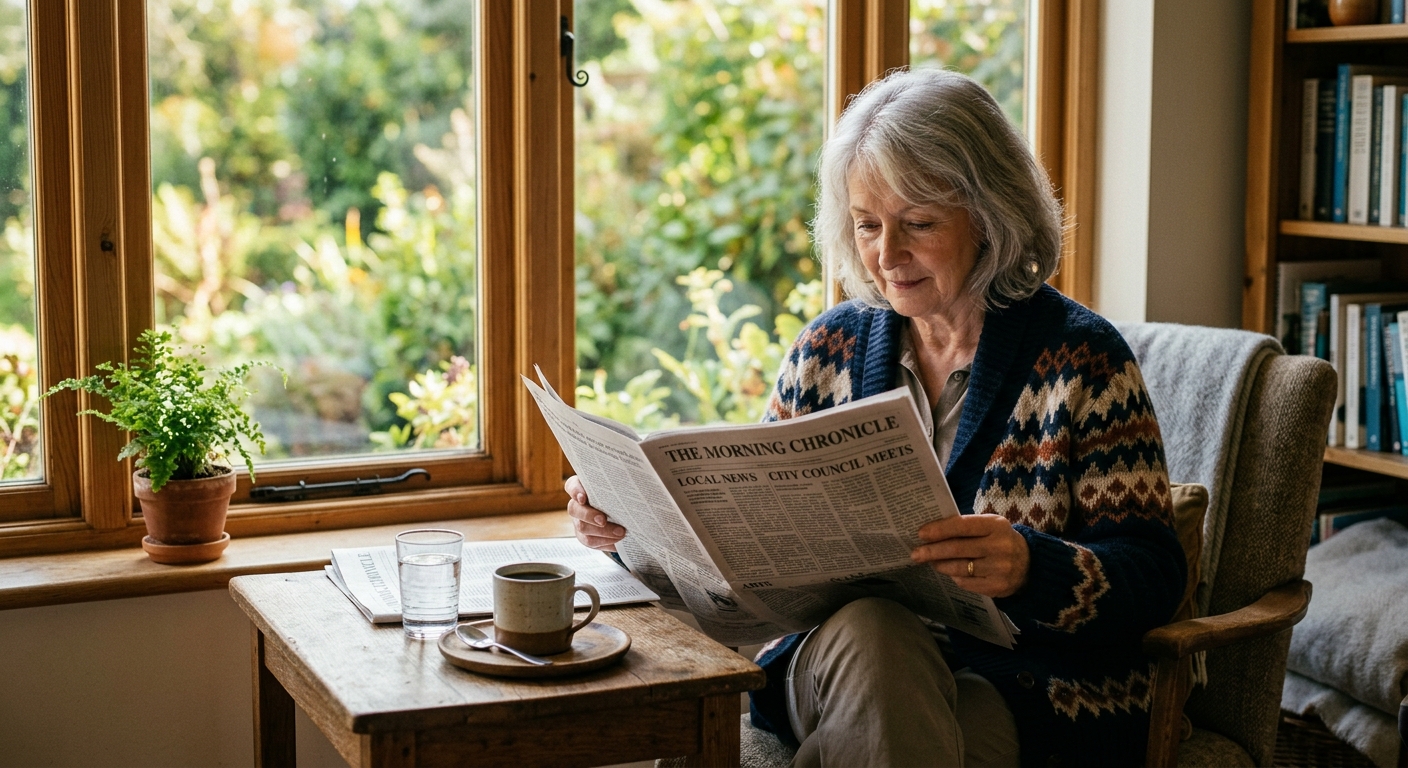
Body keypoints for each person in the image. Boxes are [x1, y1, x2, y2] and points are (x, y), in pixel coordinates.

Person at [566, 68, 1186, 768]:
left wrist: (1029, 567)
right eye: (867, 226)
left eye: (918, 224)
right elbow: (742, 540)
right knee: (877, 628)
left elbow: (1154, 578)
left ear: (991, 214)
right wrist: (625, 527)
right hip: (831, 663)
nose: (886, 256)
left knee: (895, 727)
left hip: (1017, 685)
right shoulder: (827, 350)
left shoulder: (1082, 360)